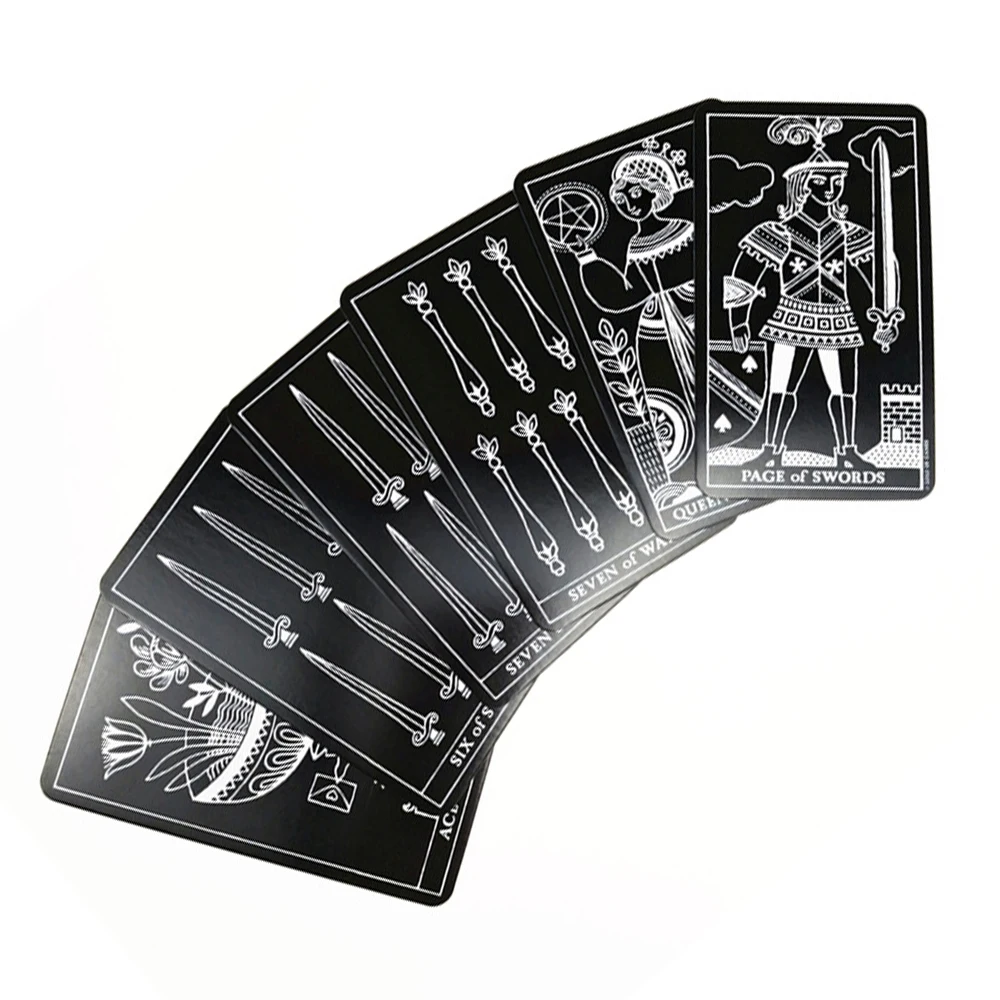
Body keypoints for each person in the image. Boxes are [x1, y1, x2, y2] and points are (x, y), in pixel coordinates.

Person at [724, 118, 900, 471]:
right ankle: (771, 451)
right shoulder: (780, 232)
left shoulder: (849, 234)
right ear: (801, 186)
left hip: (838, 319)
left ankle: (846, 452)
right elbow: (743, 276)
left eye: (836, 181)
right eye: (820, 181)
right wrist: (738, 322)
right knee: (780, 387)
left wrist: (886, 316)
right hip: (791, 317)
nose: (830, 188)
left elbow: (882, 271)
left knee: (844, 389)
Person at [571, 138, 696, 497]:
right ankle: (683, 473)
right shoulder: (634, 245)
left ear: (656, 191)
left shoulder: (686, 230)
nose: (628, 204)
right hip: (654, 333)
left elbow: (705, 272)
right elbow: (625, 296)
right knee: (664, 399)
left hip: (692, 318)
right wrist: (588, 260)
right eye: (622, 199)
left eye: (635, 194)